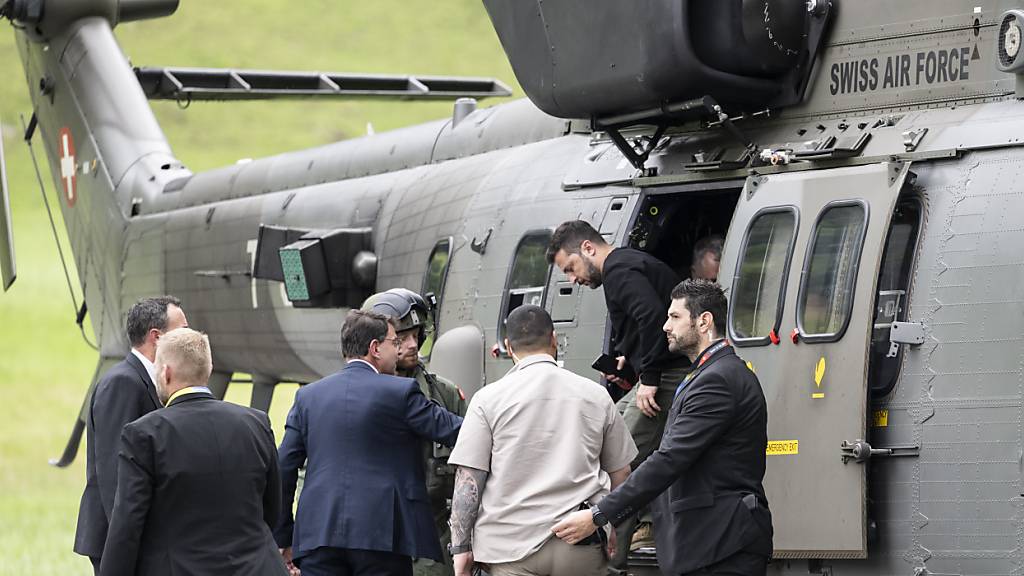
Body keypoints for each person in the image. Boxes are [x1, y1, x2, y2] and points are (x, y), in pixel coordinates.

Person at [551, 280, 773, 576]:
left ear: (704, 321)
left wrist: (599, 515)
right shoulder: (711, 374)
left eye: (675, 317)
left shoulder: (716, 381)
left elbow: (669, 460)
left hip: (720, 544)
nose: (666, 326)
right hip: (711, 543)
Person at [446, 305, 637, 576]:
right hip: (579, 541)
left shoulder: (487, 400)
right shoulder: (595, 395)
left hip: (508, 548)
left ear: (509, 347)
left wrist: (461, 548)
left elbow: (469, 481)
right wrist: (608, 521)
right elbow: (622, 472)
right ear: (554, 339)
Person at [275, 309, 464, 576]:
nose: (399, 349)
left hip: (318, 534)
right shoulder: (401, 393)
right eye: (394, 342)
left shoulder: (307, 396)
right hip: (382, 536)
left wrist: (284, 533)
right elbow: (456, 431)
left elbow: (284, 465)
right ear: (375, 348)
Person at [547, 220, 690, 562]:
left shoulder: (619, 272)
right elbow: (647, 320)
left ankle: (619, 554)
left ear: (588, 249)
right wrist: (632, 356)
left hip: (668, 376)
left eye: (570, 268)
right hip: (658, 371)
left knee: (620, 463)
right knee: (610, 439)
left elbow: (653, 315)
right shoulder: (628, 264)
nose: (573, 280)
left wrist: (651, 376)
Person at [99, 328, 288, 576]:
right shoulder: (255, 423)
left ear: (166, 373)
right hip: (256, 567)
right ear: (207, 370)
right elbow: (272, 509)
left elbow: (127, 525)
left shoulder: (145, 435)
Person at [74, 296, 188, 574]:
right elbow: (115, 471)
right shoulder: (123, 383)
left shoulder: (150, 380)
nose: (190, 335)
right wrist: (127, 544)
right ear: (156, 337)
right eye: (183, 329)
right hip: (120, 542)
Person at [363, 288, 468, 576]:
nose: (412, 345)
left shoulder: (444, 394)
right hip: (371, 540)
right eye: (401, 337)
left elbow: (473, 467)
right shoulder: (350, 395)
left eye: (416, 335)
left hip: (432, 541)